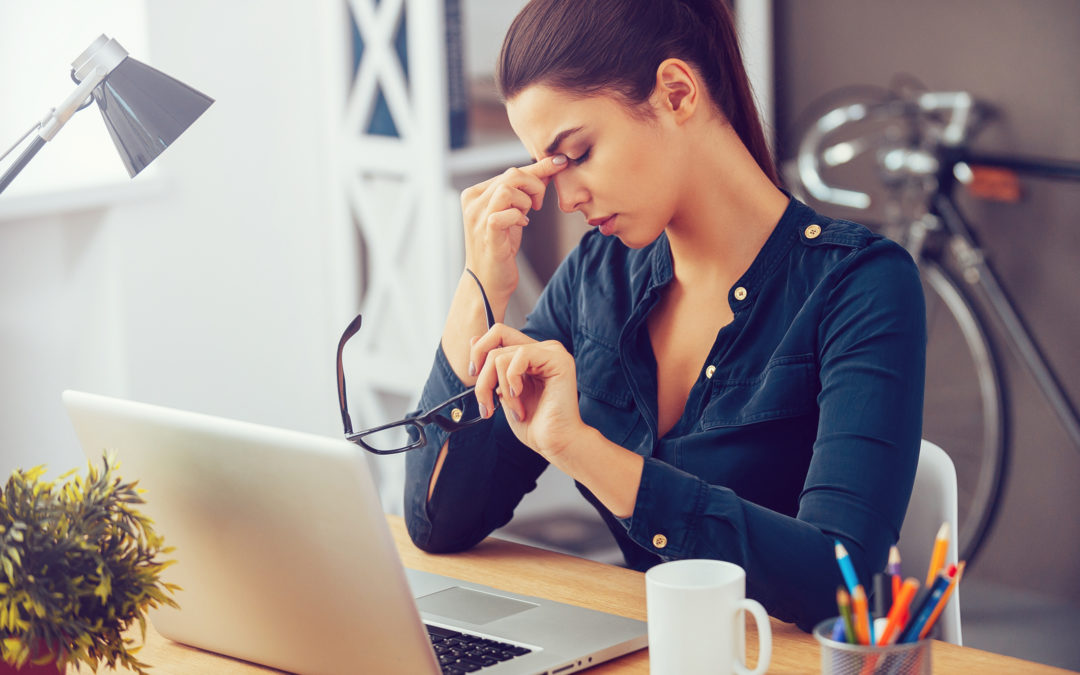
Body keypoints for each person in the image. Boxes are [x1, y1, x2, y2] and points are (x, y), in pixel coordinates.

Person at [403, 0, 925, 631]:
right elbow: (439, 523)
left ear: (676, 93)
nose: (564, 197)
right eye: (548, 166)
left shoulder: (859, 285)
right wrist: (480, 281)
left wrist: (583, 451)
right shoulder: (599, 277)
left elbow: (841, 579)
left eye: (579, 153)